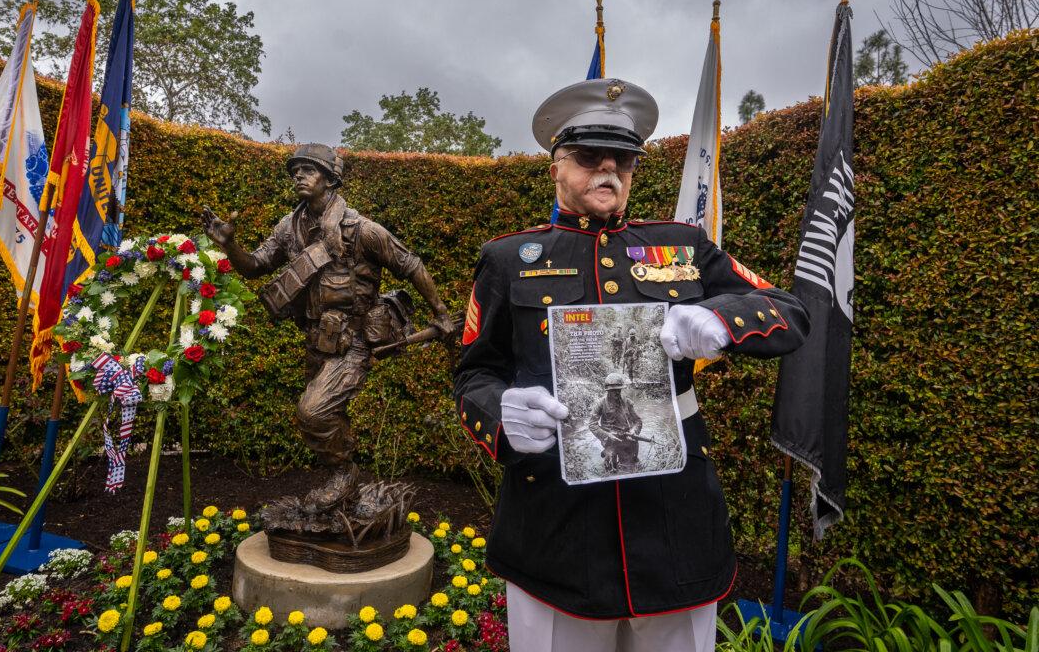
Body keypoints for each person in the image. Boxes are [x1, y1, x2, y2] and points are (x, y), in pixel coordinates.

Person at [454, 79, 810, 652]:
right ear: (556, 167)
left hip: (673, 518)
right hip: (556, 525)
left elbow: (789, 312)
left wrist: (722, 319)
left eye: (622, 158)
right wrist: (501, 417)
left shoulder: (683, 246)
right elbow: (474, 372)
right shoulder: (509, 259)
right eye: (590, 155)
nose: (608, 168)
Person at [202, 143, 454, 489]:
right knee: (319, 416)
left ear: (330, 179)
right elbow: (256, 266)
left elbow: (411, 264)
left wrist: (440, 314)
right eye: (295, 172)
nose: (299, 176)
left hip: (355, 341)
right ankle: (344, 489)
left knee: (313, 411)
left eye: (308, 170)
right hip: (318, 340)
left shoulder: (360, 229)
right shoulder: (287, 228)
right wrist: (229, 246)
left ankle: (344, 474)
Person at [588, 372, 642, 474]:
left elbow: (638, 421)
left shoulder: (628, 402)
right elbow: (592, 424)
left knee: (629, 469)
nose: (617, 393)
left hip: (627, 440)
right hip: (609, 441)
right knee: (609, 470)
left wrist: (633, 431)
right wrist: (607, 434)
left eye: (619, 390)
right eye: (613, 391)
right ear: (608, 391)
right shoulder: (601, 404)